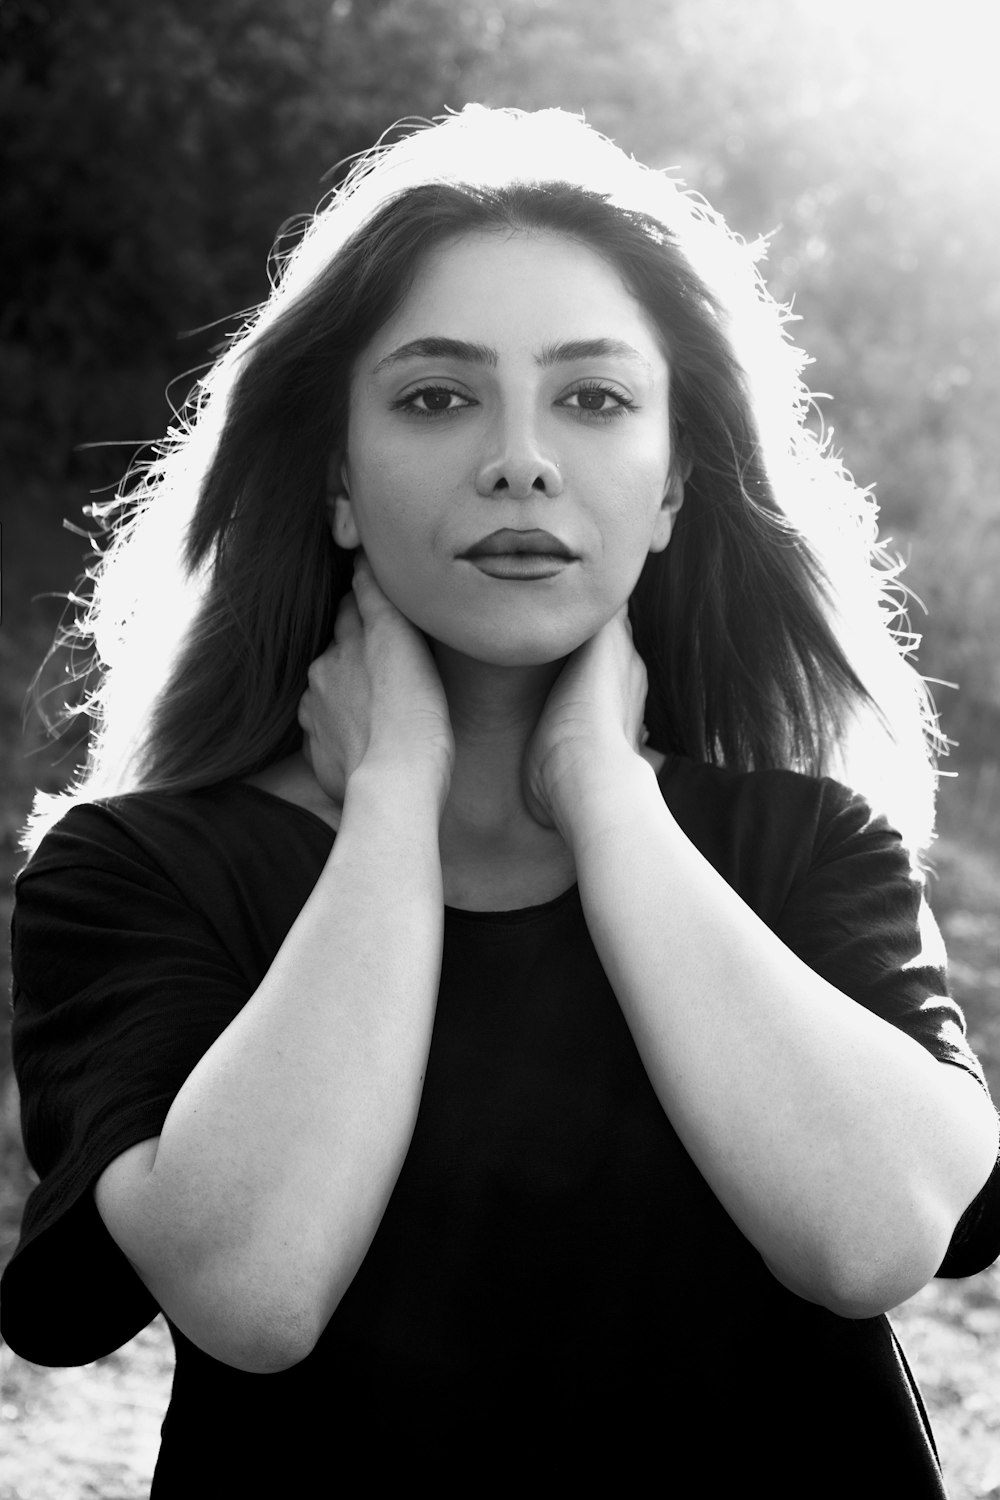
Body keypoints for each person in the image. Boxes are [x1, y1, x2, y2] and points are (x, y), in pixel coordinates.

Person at [3, 105, 998, 1495]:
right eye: (434, 397)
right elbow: (256, 1290)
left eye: (592, 399)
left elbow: (871, 1237)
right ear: (338, 479)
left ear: (670, 490)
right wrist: (392, 802)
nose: (518, 459)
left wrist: (605, 791)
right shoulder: (143, 871)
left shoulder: (800, 843)